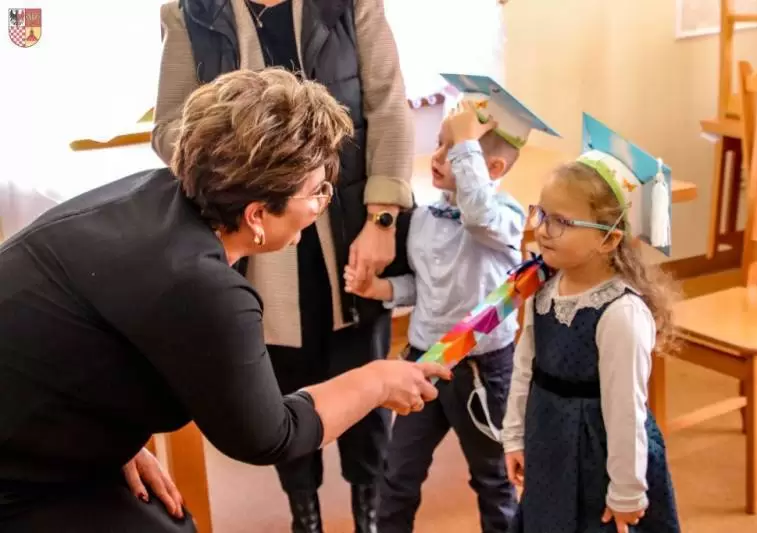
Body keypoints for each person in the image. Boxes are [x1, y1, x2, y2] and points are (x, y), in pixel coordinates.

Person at [0, 69, 450, 533]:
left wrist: (109, 441)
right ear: (257, 215)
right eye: (317, 191)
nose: (323, 203)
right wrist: (377, 380)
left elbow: (65, 337)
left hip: (43, 436)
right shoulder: (202, 286)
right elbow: (270, 435)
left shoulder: (154, 193)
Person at [152, 2, 414, 530]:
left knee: (364, 372)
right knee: (282, 386)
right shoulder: (190, 12)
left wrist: (382, 219)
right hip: (257, 236)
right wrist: (247, 155)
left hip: (348, 226)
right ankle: (305, 515)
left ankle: (369, 514)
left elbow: (388, 105)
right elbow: (169, 131)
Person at [345, 88, 547, 532]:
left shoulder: (505, 218)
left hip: (481, 370)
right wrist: (379, 288)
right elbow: (424, 286)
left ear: (491, 169)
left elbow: (478, 215)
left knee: (493, 479)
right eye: (439, 144)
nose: (437, 157)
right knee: (398, 475)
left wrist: (467, 141)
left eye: (452, 150)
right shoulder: (426, 217)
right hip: (424, 361)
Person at [502, 113, 681, 533]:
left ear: (608, 238)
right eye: (541, 214)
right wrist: (515, 437)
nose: (542, 230)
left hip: (599, 458)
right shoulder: (544, 289)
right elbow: (524, 369)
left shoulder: (620, 314)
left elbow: (626, 411)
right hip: (549, 442)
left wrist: (626, 492)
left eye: (561, 222)